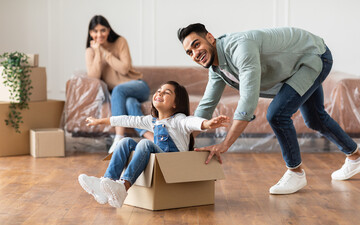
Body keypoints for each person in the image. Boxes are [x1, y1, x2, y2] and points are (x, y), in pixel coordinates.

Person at [177, 23, 360, 195]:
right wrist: (181, 141)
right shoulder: (217, 69)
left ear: (210, 37)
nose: (195, 53)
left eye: (196, 45)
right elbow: (206, 107)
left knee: (277, 114)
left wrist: (225, 144)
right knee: (315, 118)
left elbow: (248, 100)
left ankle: (295, 172)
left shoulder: (241, 47)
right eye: (189, 52)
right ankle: (355, 156)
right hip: (295, 67)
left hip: (312, 56)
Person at [78, 81, 230, 208]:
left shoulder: (179, 120)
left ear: (176, 103)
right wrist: (100, 121)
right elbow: (127, 119)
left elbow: (192, 122)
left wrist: (207, 124)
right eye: (158, 91)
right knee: (125, 142)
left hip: (173, 163)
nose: (160, 94)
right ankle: (107, 184)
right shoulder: (152, 121)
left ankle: (123, 187)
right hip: (159, 162)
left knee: (145, 144)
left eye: (167, 92)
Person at [86, 15, 153, 153]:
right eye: (95, 31)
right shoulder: (90, 51)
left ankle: (119, 137)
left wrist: (104, 51)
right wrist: (98, 52)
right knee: (130, 103)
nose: (99, 34)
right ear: (90, 33)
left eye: (103, 30)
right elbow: (94, 77)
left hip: (138, 86)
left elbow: (124, 68)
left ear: (109, 30)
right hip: (121, 94)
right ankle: (151, 137)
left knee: (118, 90)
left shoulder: (120, 42)